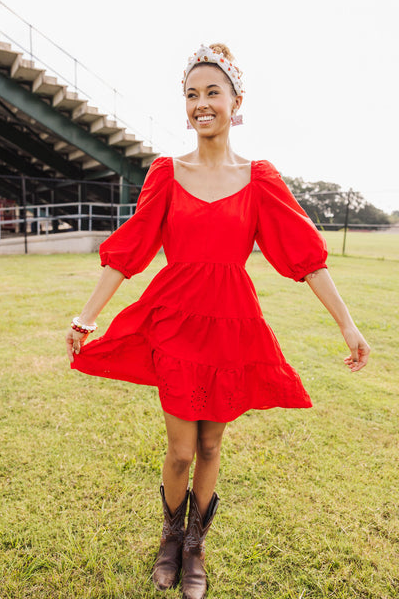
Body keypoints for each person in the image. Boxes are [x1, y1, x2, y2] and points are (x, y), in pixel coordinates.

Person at [65, 43, 370, 599]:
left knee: (210, 447)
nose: (201, 104)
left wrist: (347, 325)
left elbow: (305, 256)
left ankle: (195, 547)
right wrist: (86, 318)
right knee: (181, 449)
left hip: (231, 323)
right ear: (185, 108)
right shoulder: (166, 172)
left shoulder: (260, 178)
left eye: (212, 93)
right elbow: (129, 251)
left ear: (236, 102)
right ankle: (168, 537)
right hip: (176, 321)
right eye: (191, 95)